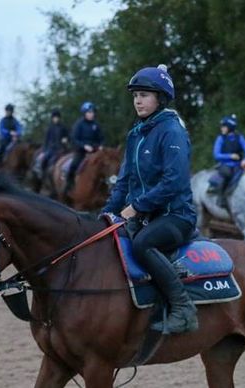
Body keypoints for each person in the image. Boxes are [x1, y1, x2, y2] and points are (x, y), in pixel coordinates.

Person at [101, 64, 198, 334]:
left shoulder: (172, 131)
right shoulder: (136, 134)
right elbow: (124, 181)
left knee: (142, 244)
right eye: (135, 96)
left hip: (175, 216)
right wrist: (107, 213)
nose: (138, 100)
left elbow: (174, 182)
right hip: (145, 216)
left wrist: (136, 206)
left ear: (160, 98)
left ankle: (183, 308)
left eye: (144, 94)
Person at [209, 114, 245, 207]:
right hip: (225, 165)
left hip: (239, 166)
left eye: (224, 126)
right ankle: (221, 198)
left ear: (229, 127)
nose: (221, 128)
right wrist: (230, 156)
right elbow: (216, 155)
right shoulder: (220, 138)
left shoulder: (240, 138)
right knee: (227, 174)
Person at [64, 102, 105, 195]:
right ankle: (69, 186)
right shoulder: (79, 124)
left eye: (93, 112)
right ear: (84, 113)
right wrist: (84, 146)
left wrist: (101, 145)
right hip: (81, 151)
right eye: (89, 112)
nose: (92, 114)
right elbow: (74, 139)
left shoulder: (96, 125)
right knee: (73, 165)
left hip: (95, 151)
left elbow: (101, 138)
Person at [41, 109, 69, 177]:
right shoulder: (50, 128)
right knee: (44, 159)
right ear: (52, 118)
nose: (56, 119)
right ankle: (42, 173)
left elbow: (68, 136)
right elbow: (46, 139)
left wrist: (66, 139)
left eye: (57, 117)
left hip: (61, 149)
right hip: (51, 148)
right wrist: (45, 149)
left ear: (59, 118)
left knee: (54, 161)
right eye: (54, 117)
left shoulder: (63, 127)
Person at [0, 104, 24, 168]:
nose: (8, 112)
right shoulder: (3, 120)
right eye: (7, 111)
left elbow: (19, 128)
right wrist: (10, 132)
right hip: (5, 138)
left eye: (10, 111)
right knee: (2, 148)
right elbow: (1, 129)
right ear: (5, 111)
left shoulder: (15, 121)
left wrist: (17, 133)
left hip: (15, 139)